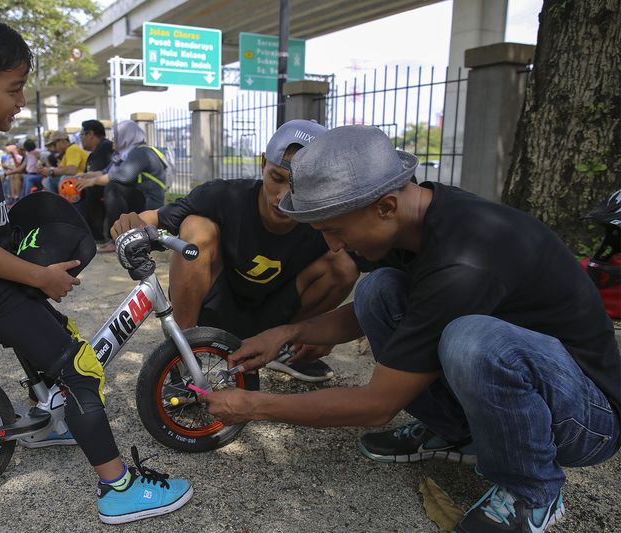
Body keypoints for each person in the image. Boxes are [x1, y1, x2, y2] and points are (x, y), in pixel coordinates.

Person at [203, 125, 621, 532]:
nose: (333, 246)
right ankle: (455, 432)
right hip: (532, 385)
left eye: (334, 230)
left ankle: (532, 490)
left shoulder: (464, 261)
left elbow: (376, 406)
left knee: (473, 341)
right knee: (379, 290)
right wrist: (289, 332)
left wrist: (254, 406)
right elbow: (388, 315)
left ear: (385, 207)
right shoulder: (415, 221)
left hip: (585, 419)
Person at [0, 11, 192, 524]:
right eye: (14, 89)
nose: (21, 101)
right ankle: (118, 488)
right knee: (81, 370)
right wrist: (40, 277)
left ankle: (50, 421)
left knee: (60, 340)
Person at [110, 120, 359, 382]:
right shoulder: (224, 196)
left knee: (343, 265)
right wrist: (130, 222)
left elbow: (378, 267)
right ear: (263, 163)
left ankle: (285, 347)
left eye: (301, 185)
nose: (283, 197)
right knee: (196, 227)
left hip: (277, 314)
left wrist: (323, 333)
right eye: (277, 178)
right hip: (216, 310)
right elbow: (153, 218)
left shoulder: (326, 218)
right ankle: (183, 352)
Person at [78, 120, 166, 253]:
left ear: (126, 136)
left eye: (116, 137)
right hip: (138, 198)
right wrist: (86, 176)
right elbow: (106, 172)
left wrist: (93, 181)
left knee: (113, 188)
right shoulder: (125, 154)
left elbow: (124, 176)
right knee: (103, 186)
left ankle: (118, 239)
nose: (113, 141)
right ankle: (103, 234)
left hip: (149, 203)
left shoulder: (141, 152)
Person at [74, 119, 114, 244]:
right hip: (105, 187)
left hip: (111, 189)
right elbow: (94, 173)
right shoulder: (93, 154)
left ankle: (95, 234)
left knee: (89, 188)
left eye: (82, 135)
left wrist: (87, 180)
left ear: (90, 134)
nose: (81, 139)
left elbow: (102, 176)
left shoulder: (105, 147)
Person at [42, 130, 88, 195]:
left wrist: (51, 171)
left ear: (62, 141)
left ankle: (54, 200)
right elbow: (61, 169)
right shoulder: (66, 152)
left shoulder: (72, 149)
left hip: (83, 180)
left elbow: (71, 171)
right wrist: (48, 171)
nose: (54, 148)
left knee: (56, 179)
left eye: (54, 144)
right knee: (52, 178)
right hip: (79, 180)